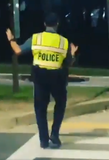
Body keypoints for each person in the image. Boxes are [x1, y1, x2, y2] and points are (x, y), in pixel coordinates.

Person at [6, 12, 78, 149]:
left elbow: (18, 51)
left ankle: (44, 140)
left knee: (40, 109)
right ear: (57, 24)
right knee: (61, 103)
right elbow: (68, 63)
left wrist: (11, 39)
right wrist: (73, 53)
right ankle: (55, 134)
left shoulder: (36, 38)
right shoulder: (64, 42)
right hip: (57, 76)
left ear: (45, 24)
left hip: (40, 76)